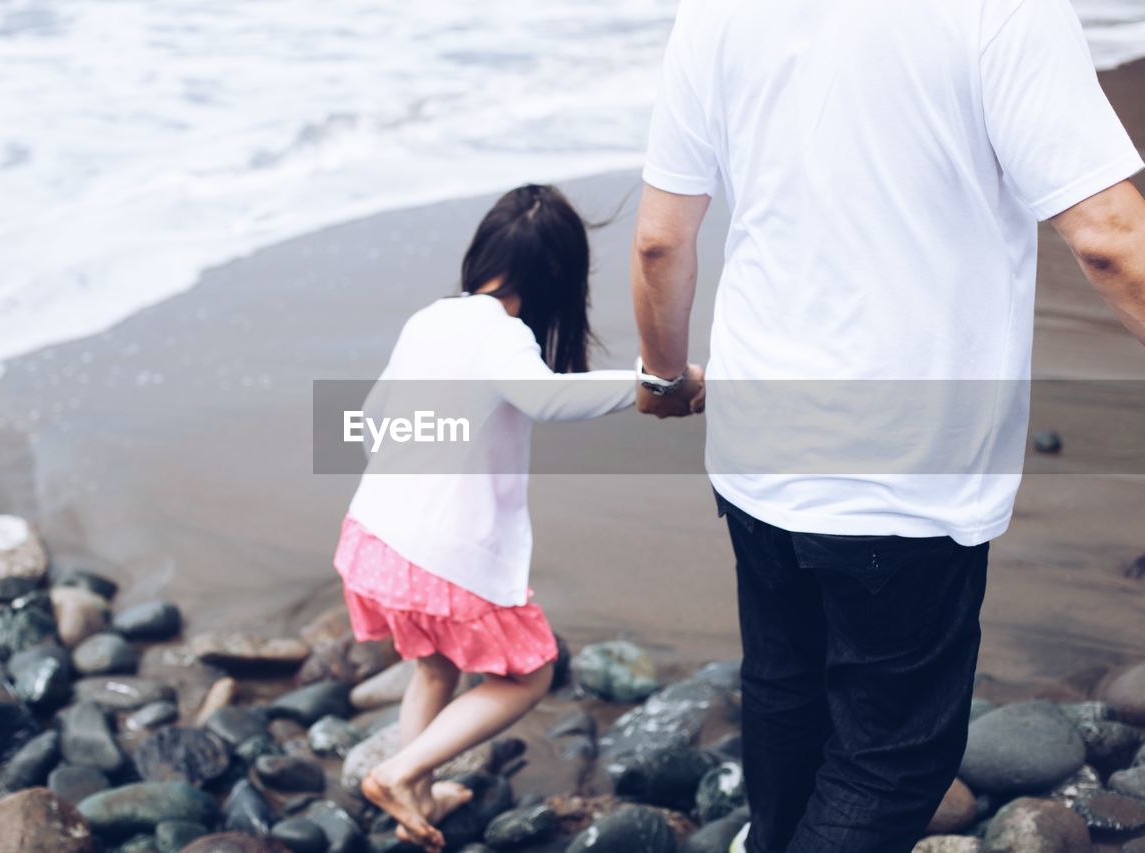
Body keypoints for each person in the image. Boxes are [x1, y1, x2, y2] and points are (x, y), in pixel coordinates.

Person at [630, 0, 1145, 851]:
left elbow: (660, 240)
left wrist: (662, 372)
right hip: (906, 456)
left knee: (786, 690)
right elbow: (1112, 241)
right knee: (894, 756)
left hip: (757, 439)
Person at [335, 184, 704, 850]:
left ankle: (415, 796)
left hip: (373, 533)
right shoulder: (499, 335)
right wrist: (655, 379)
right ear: (558, 275)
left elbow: (369, 418)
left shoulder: (430, 318)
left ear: (484, 252)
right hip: (442, 552)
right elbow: (547, 398)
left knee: (434, 667)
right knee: (527, 673)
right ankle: (400, 769)